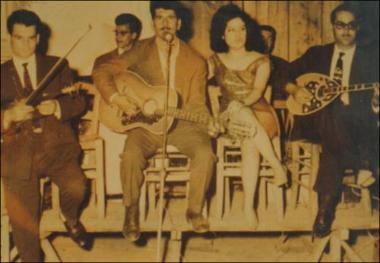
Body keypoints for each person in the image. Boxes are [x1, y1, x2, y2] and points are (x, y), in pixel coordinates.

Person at [93, 1, 216, 241]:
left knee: (205, 153)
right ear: (153, 22)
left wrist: (208, 124)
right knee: (130, 154)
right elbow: (102, 71)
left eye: (170, 18)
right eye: (159, 18)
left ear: (179, 23)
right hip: (145, 124)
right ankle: (131, 210)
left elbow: (197, 105)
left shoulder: (196, 62)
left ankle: (194, 210)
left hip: (183, 125)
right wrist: (117, 98)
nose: (165, 24)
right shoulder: (140, 49)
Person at [0, 9, 93, 262]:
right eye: (20, 38)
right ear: (10, 38)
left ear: (38, 38)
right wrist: (8, 115)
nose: (26, 45)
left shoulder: (57, 65)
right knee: (24, 222)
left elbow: (79, 102)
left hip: (55, 148)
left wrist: (57, 107)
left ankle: (69, 218)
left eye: (31, 38)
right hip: (16, 154)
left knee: (77, 187)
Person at [285, 3, 379, 238]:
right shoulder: (316, 54)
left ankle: (324, 212)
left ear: (357, 28)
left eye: (351, 25)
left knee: (333, 149)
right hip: (316, 121)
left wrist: (377, 99)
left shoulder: (371, 59)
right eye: (340, 25)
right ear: (332, 27)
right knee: (333, 113)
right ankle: (364, 165)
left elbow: (374, 108)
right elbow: (282, 73)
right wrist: (294, 89)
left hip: (355, 126)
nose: (346, 30)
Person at [207, 4, 288, 228]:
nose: (237, 35)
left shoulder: (262, 59)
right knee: (244, 124)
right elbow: (196, 83)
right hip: (228, 120)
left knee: (250, 140)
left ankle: (248, 207)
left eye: (242, 29)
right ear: (222, 34)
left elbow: (257, 92)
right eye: (231, 30)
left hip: (260, 113)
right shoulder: (214, 60)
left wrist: (238, 105)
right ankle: (277, 167)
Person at [260, 25, 290, 102]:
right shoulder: (245, 62)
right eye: (262, 38)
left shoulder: (283, 65)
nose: (265, 42)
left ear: (273, 42)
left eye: (269, 39)